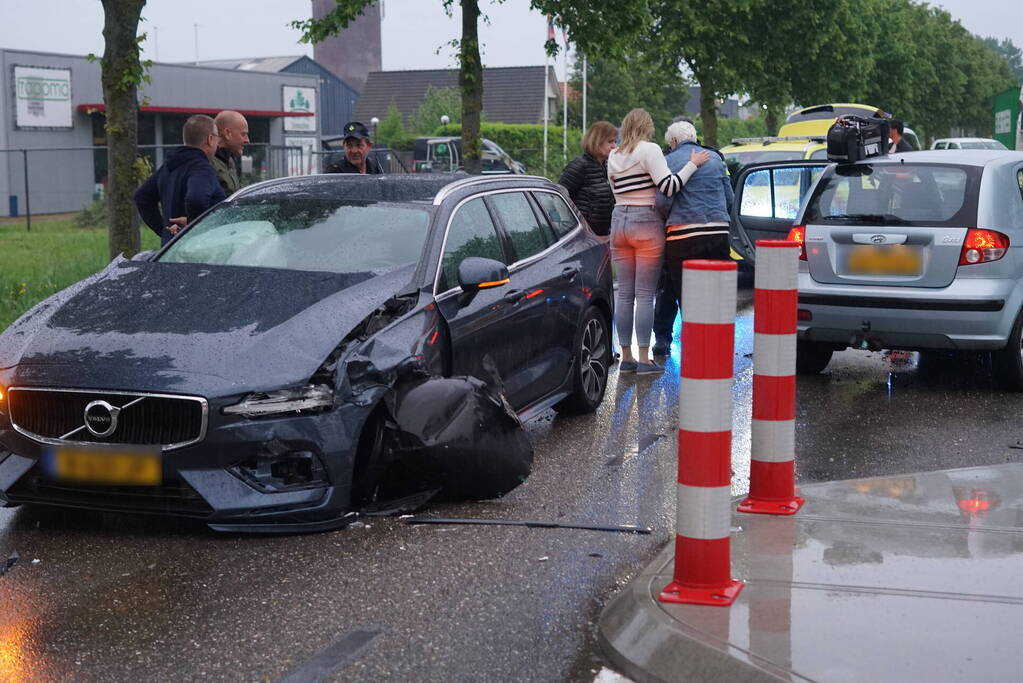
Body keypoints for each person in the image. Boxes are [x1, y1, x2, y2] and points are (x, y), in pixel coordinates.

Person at [607, 108, 709, 375]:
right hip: (645, 223)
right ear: (647, 127)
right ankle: (644, 358)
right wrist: (692, 164)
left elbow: (616, 192)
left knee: (625, 294)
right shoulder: (650, 150)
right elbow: (670, 186)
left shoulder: (613, 155)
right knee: (644, 295)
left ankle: (625, 357)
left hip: (619, 222)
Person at [656, 119, 733, 324]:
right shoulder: (717, 159)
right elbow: (730, 198)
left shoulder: (668, 161)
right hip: (718, 232)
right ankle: (717, 338)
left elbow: (662, 202)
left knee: (685, 294)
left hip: (683, 235)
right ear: (693, 136)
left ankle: (693, 342)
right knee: (716, 292)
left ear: (673, 141)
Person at [134, 114, 226, 246]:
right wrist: (195, 226)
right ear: (210, 139)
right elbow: (196, 199)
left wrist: (165, 231)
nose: (218, 144)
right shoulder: (202, 168)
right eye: (217, 138)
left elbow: (141, 197)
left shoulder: (168, 167)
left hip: (169, 252)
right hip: (199, 252)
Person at [558, 121, 617, 238]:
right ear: (597, 141)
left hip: (602, 235)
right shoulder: (579, 166)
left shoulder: (608, 166)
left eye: (614, 141)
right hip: (582, 237)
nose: (614, 146)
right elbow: (558, 197)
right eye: (610, 142)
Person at [212, 110, 249, 195]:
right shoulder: (208, 164)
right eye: (243, 134)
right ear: (227, 133)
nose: (247, 140)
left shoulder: (229, 161)